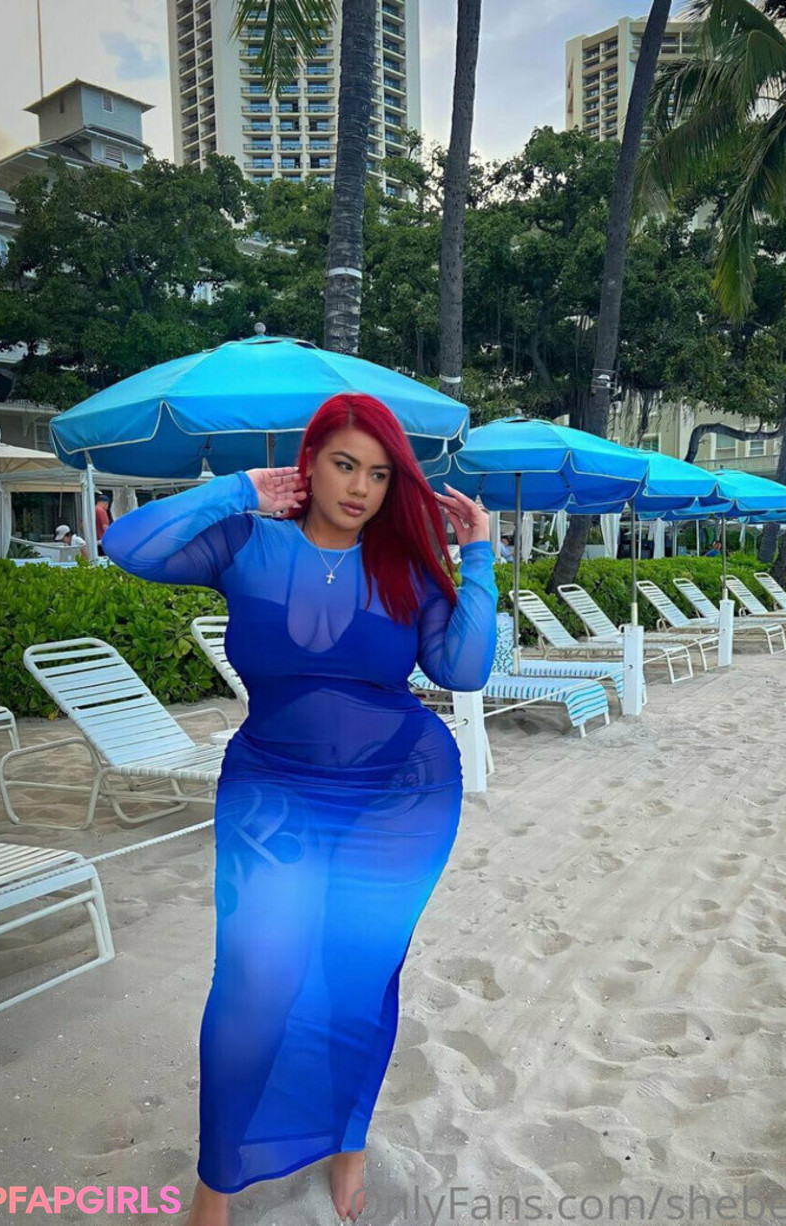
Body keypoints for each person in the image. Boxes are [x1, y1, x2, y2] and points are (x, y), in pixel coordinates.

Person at [102, 393, 498, 1226]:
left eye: (379, 475)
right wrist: (239, 489)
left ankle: (347, 1141)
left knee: (356, 979)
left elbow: (463, 670)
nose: (360, 488)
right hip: (271, 791)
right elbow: (126, 544)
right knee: (254, 982)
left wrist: (478, 556)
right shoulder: (245, 543)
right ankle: (216, 1184)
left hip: (400, 794)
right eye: (345, 465)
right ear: (309, 463)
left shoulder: (405, 569)